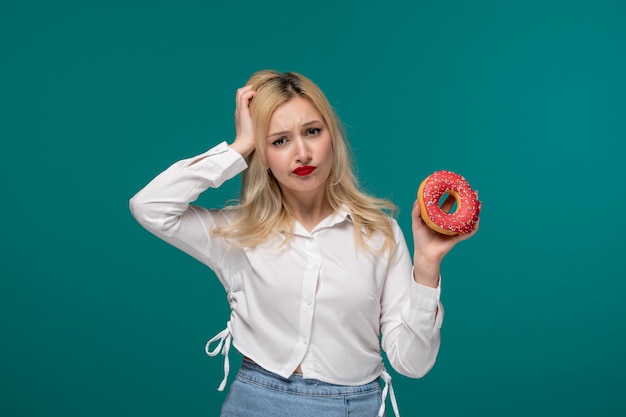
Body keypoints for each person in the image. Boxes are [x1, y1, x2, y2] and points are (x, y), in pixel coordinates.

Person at [129, 70, 479, 417]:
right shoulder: (237, 232)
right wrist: (239, 147)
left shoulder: (381, 233)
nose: (302, 153)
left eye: (312, 132)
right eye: (279, 140)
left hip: (353, 407)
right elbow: (149, 206)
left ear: (332, 136)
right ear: (262, 156)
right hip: (256, 402)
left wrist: (428, 267)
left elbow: (412, 364)